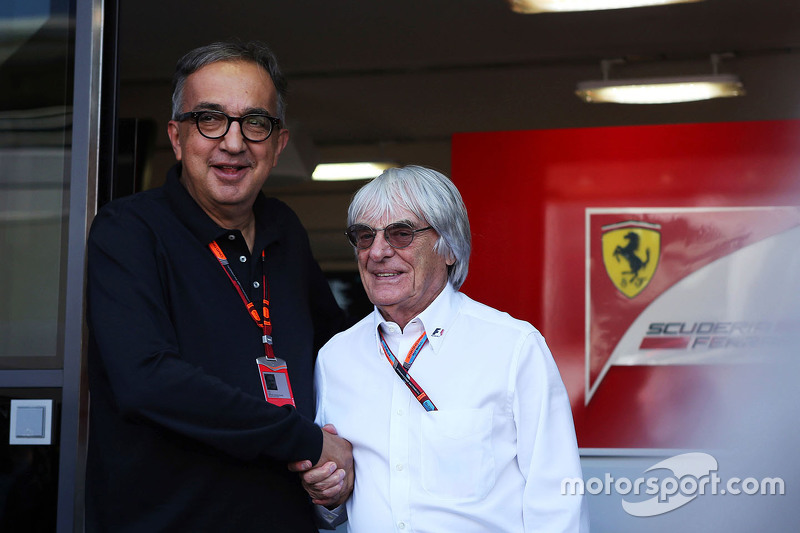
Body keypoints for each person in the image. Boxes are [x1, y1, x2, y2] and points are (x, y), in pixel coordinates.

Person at [85, 41, 353, 532]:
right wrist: (306, 441)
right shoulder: (128, 231)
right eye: (210, 119)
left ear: (278, 143)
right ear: (177, 136)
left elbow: (338, 350)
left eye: (255, 122)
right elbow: (148, 381)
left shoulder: (285, 231)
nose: (233, 143)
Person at [293, 165, 589, 531]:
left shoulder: (513, 347)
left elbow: (557, 497)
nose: (378, 251)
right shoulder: (335, 358)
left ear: (449, 248)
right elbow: (333, 506)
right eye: (365, 236)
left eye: (401, 234)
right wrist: (327, 495)